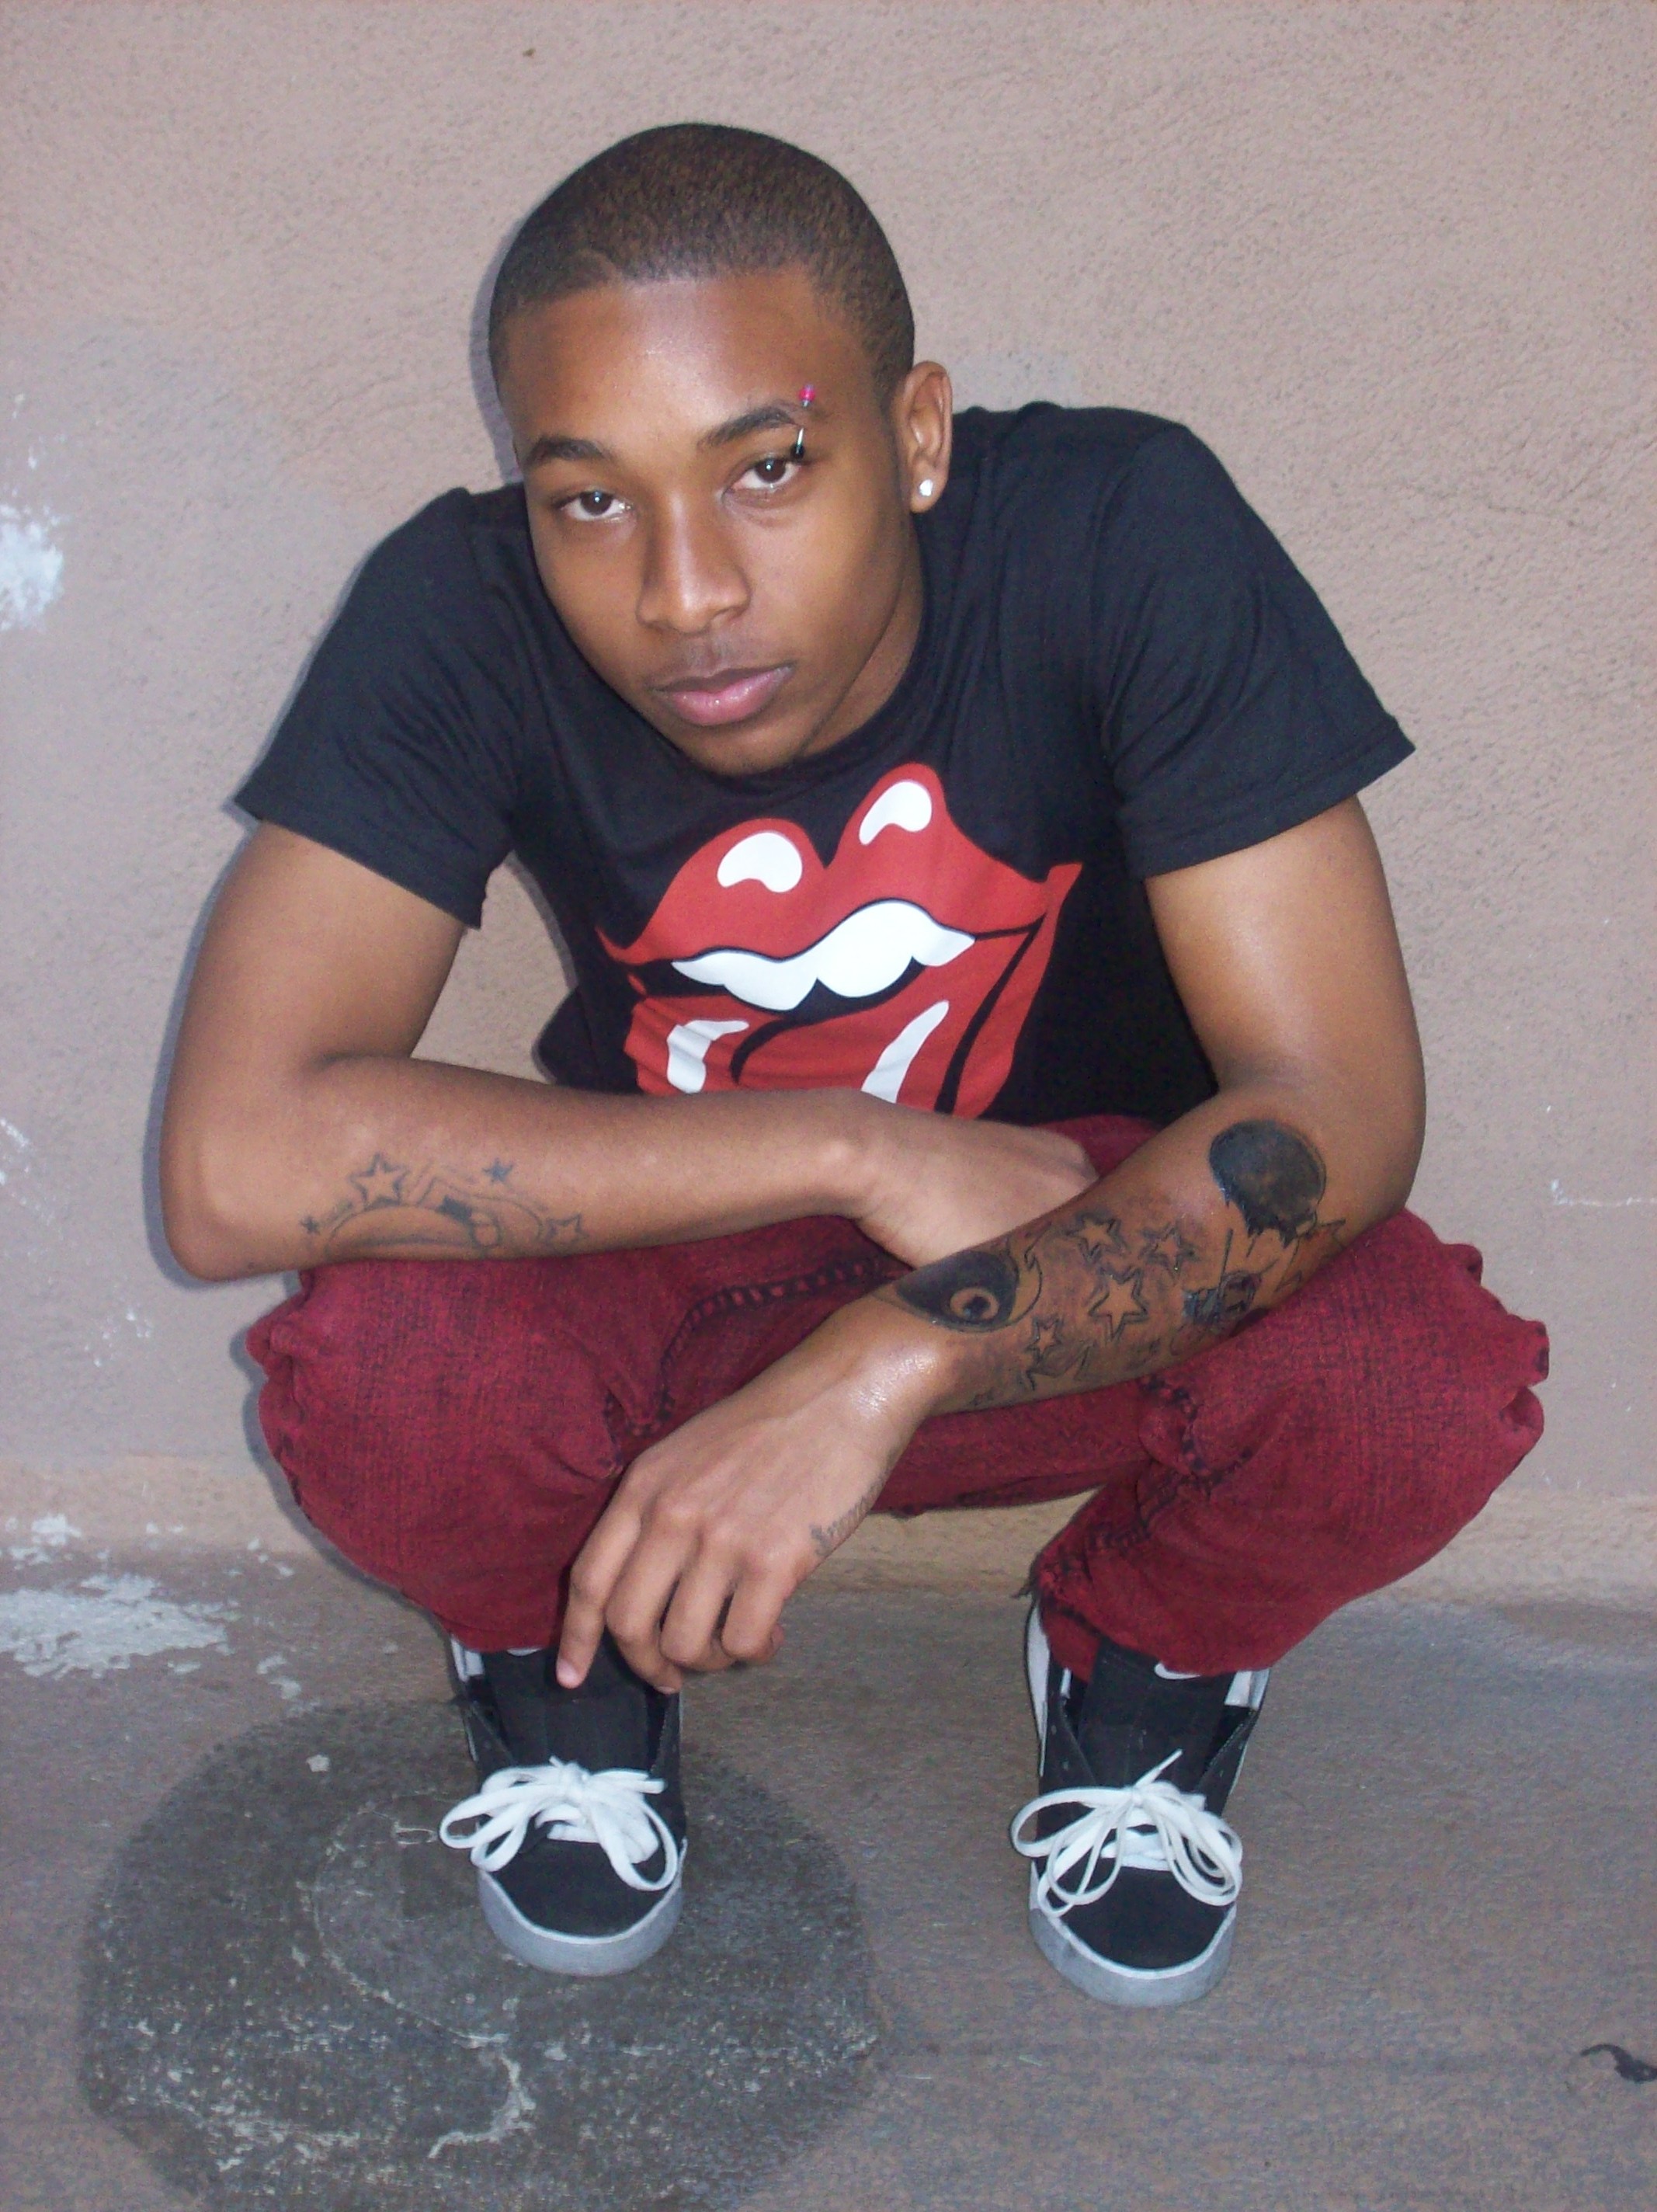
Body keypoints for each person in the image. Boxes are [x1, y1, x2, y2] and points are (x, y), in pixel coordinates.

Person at [160, 123, 1547, 2009]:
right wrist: (853, 1148)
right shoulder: (459, 609)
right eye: (589, 500)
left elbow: (1337, 1110)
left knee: (1412, 1383)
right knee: (381, 1378)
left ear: (913, 434)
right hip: (694, 1238)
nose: (682, 592)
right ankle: (570, 1649)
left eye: (766, 468)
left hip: (1083, 1230)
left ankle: (1140, 1658)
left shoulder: (1119, 530)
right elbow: (232, 1166)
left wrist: (886, 1358)